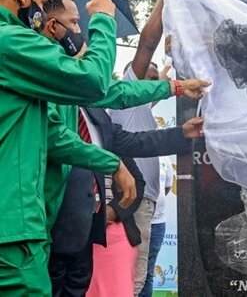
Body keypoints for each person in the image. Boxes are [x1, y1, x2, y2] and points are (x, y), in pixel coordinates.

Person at [0, 0, 137, 296]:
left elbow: (50, 134)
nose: (43, 16)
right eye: (41, 4)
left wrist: (110, 162)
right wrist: (103, 20)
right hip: (11, 229)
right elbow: (93, 81)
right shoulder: (11, 41)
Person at [40, 0, 209, 241]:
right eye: (75, 23)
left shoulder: (90, 105)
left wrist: (180, 110)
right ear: (52, 26)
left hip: (79, 230)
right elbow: (59, 138)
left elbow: (128, 134)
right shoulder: (40, 78)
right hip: (47, 220)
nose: (79, 32)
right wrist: (103, 20)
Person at [49, 106, 203, 297]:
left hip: (84, 240)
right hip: (48, 234)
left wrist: (181, 133)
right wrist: (113, 164)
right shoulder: (50, 105)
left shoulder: (95, 113)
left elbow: (136, 141)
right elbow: (61, 142)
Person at [108, 0, 175, 295]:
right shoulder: (127, 95)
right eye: (145, 77)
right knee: (131, 285)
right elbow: (148, 44)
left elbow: (163, 71)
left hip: (142, 206)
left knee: (137, 282)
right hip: (132, 205)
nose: (154, 83)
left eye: (154, 79)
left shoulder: (141, 109)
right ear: (130, 77)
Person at [139, 156, 174, 297]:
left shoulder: (165, 158)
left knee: (148, 271)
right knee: (134, 270)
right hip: (136, 221)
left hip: (158, 222)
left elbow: (166, 188)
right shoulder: (135, 152)